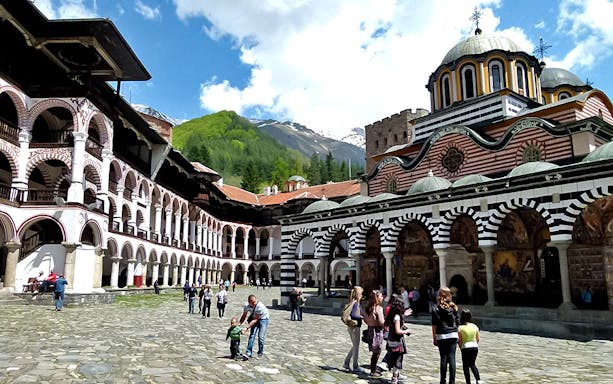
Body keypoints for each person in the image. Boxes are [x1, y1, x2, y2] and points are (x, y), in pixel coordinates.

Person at [432, 286, 459, 384]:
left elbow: (434, 325)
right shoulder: (453, 307)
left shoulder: (436, 308)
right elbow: (457, 321)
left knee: (443, 358)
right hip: (453, 334)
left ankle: (442, 381)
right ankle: (452, 381)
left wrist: (434, 337)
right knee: (452, 358)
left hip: (442, 335)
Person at [385, 295, 411, 384]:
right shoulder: (396, 317)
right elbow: (398, 331)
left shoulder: (392, 314)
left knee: (395, 359)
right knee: (397, 360)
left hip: (392, 340)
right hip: (396, 341)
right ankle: (394, 378)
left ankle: (397, 376)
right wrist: (406, 331)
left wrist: (404, 315)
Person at [239, 294, 270, 358]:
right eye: (252, 302)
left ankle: (260, 352)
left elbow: (256, 319)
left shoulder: (259, 306)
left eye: (254, 301)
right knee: (252, 335)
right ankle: (248, 353)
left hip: (263, 319)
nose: (254, 303)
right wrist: (239, 323)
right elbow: (244, 315)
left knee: (261, 337)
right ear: (249, 302)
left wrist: (247, 328)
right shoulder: (246, 306)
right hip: (254, 318)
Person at [342, 285, 364, 373]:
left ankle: (346, 362)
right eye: (361, 294)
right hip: (355, 326)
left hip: (351, 326)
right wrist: (361, 317)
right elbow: (354, 315)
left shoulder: (352, 302)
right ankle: (355, 365)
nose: (362, 296)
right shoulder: (356, 303)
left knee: (355, 345)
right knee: (356, 346)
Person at [363, 289, 385, 377]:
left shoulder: (367, 308)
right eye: (381, 296)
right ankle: (373, 369)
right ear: (377, 298)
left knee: (374, 351)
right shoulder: (378, 309)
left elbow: (365, 319)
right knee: (377, 351)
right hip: (377, 331)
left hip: (370, 329)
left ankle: (373, 368)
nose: (382, 298)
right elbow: (381, 322)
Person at [458, 309, 481, 384]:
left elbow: (460, 340)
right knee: (473, 364)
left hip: (465, 347)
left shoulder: (460, 328)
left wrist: (461, 347)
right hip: (474, 347)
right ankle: (478, 380)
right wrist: (475, 343)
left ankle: (468, 382)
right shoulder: (475, 326)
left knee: (465, 366)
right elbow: (478, 338)